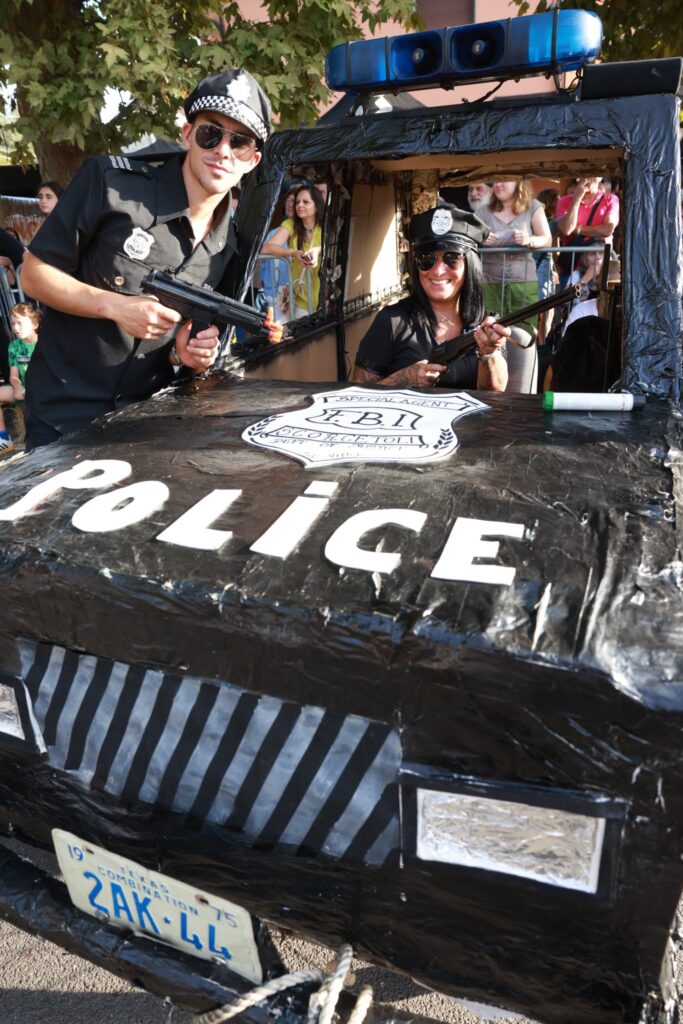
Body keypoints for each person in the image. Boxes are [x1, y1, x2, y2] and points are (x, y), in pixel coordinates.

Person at [21, 67, 271, 449]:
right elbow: (33, 275)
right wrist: (114, 306)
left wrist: (182, 352)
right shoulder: (110, 185)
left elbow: (180, 344)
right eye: (211, 133)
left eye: (239, 142)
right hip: (63, 415)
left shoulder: (230, 247)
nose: (223, 150)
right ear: (188, 135)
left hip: (147, 424)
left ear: (252, 160)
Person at [351, 204, 509, 392]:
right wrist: (405, 378)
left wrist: (488, 354)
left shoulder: (487, 325)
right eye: (426, 258)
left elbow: (495, 393)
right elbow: (358, 393)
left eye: (452, 258)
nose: (438, 270)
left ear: (470, 265)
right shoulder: (391, 322)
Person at [477, 180, 552, 337]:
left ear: (519, 181)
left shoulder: (533, 206)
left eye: (505, 178)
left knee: (525, 335)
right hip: (491, 284)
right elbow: (467, 237)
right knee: (491, 334)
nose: (498, 184)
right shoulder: (483, 211)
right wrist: (480, 239)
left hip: (523, 285)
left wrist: (528, 240)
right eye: (496, 179)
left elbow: (547, 239)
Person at [261, 184, 325, 319]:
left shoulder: (326, 226)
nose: (299, 205)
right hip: (299, 300)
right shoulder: (290, 225)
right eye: (297, 202)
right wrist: (292, 253)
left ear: (317, 205)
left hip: (324, 298)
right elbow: (267, 247)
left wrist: (318, 251)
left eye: (306, 202)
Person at [555, 176, 619, 289]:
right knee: (567, 304)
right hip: (571, 265)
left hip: (600, 267)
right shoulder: (564, 201)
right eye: (583, 175)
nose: (586, 179)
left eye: (591, 175)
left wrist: (578, 229)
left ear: (599, 178)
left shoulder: (610, 199)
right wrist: (577, 198)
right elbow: (567, 229)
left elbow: (607, 229)